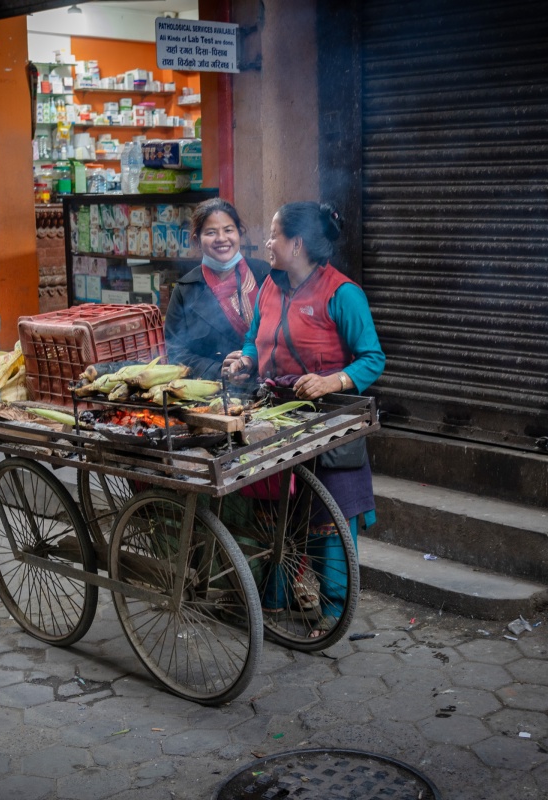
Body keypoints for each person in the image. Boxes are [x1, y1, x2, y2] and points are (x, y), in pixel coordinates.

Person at [222, 201, 386, 635]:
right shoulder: (270, 288)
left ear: (297, 244)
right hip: (274, 415)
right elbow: (255, 338)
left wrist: (333, 382)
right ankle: (273, 600)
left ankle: (333, 611)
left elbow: (372, 358)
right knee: (274, 511)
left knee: (328, 519)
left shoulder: (342, 293)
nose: (267, 242)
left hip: (328, 422)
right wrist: (244, 359)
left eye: (274, 234)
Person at [164, 199, 270, 380]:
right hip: (218, 394)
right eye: (211, 232)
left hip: (271, 383)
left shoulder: (265, 274)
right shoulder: (186, 290)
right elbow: (176, 353)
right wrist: (218, 369)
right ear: (197, 240)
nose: (222, 239)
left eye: (228, 230)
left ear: (239, 234)